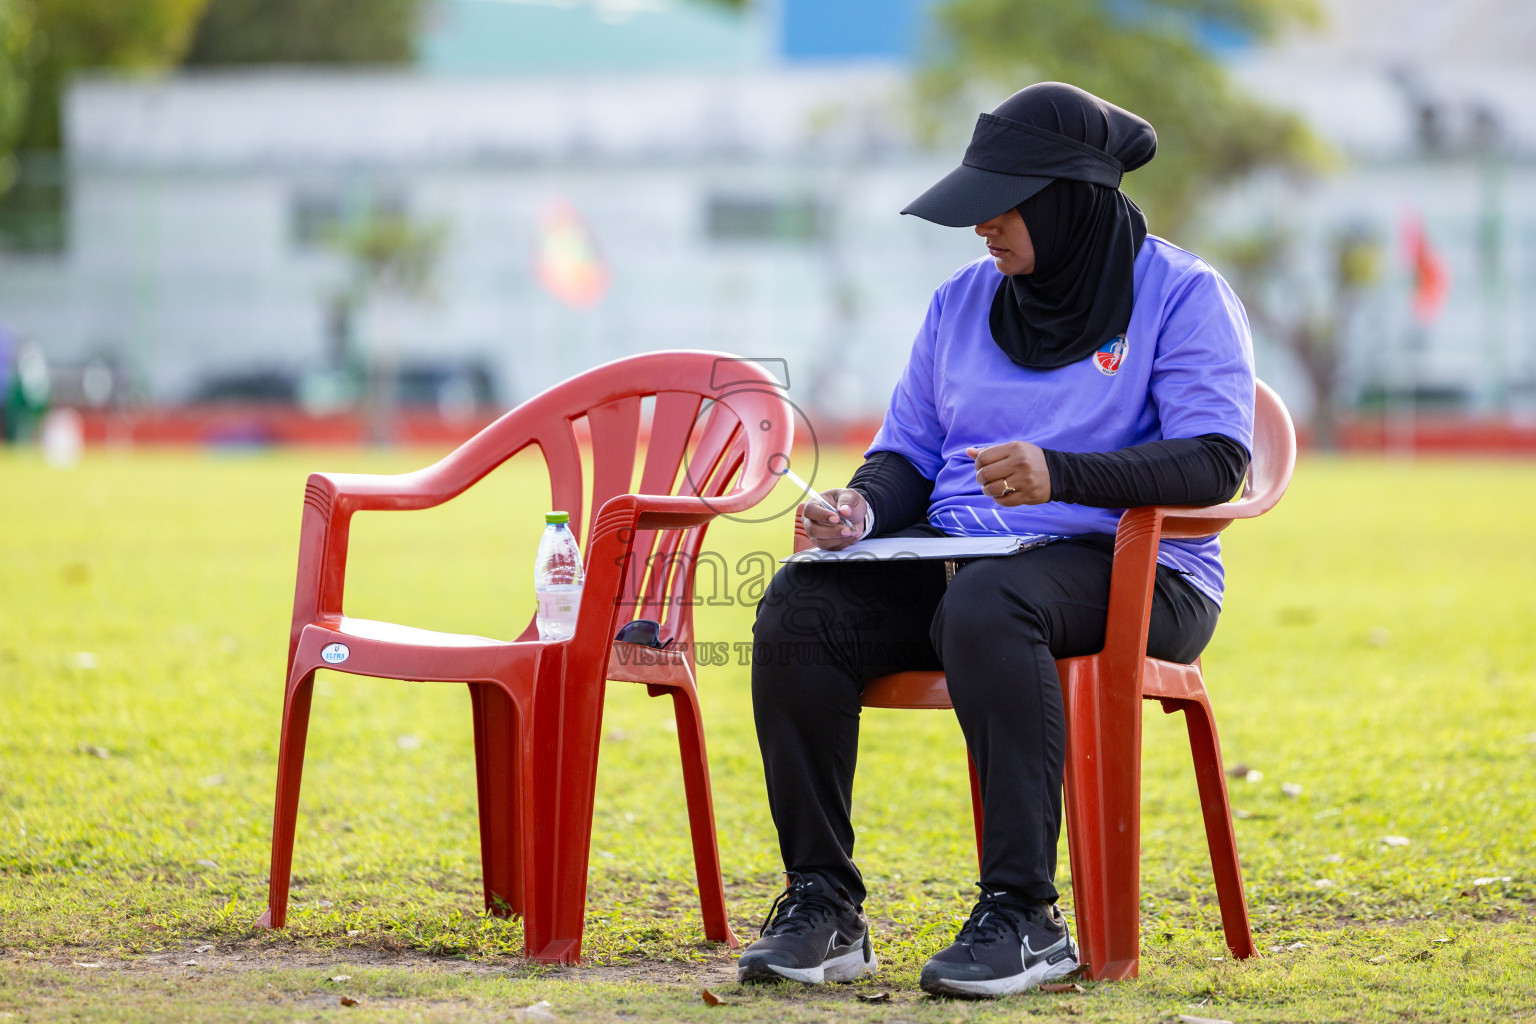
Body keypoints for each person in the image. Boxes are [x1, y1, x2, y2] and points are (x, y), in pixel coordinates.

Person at [736, 82, 1256, 998]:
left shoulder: (1183, 294)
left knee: (989, 602)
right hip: (963, 570)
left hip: (1143, 576)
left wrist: (1068, 473)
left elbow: (1218, 461)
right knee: (799, 605)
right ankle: (822, 904)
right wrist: (859, 510)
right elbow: (908, 456)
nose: (983, 228)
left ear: (1069, 201)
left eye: (1002, 205)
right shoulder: (961, 302)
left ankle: (1024, 917)